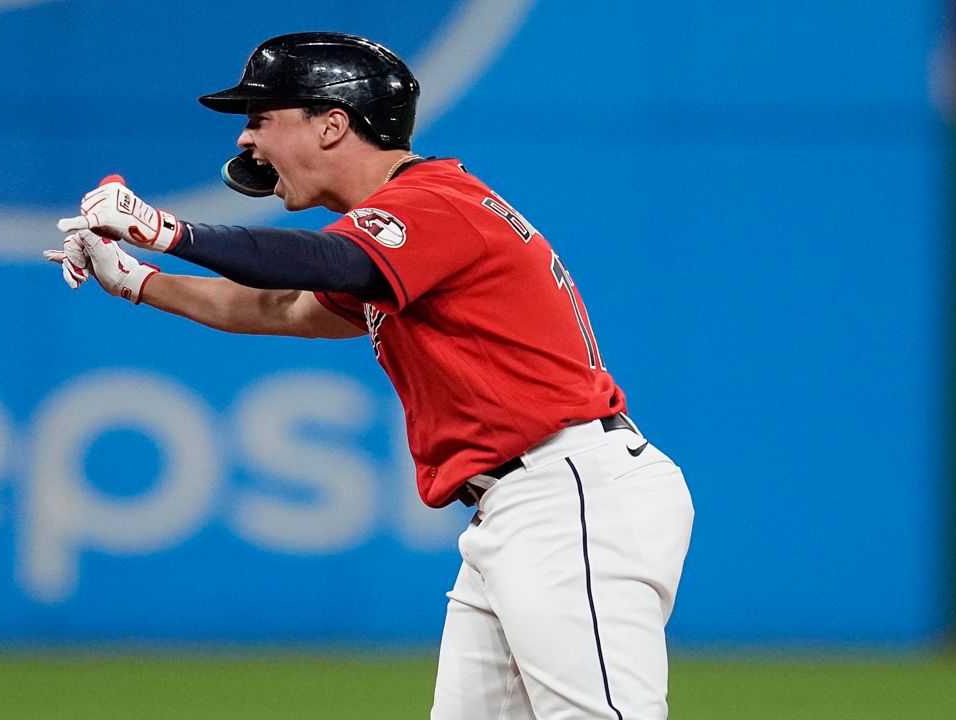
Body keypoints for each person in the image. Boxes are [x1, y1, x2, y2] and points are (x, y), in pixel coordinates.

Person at [45, 31, 694, 720]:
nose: (245, 142)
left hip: (569, 496)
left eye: (262, 117)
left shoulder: (431, 203)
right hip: (520, 506)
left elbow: (321, 266)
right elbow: (285, 306)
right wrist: (142, 281)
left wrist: (168, 231)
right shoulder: (404, 226)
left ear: (332, 123)